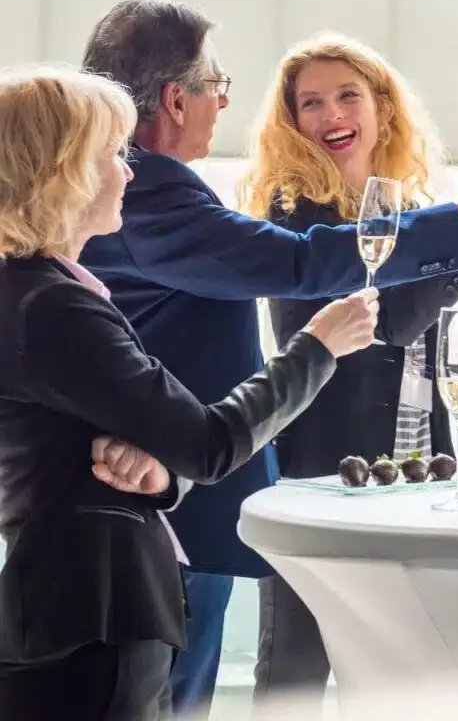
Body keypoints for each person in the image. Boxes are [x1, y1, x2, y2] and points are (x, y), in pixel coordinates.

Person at [76, 0, 458, 717]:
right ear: (177, 100)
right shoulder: (151, 190)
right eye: (216, 86)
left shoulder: (150, 189)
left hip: (174, 489)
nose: (222, 103)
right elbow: (304, 264)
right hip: (157, 497)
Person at [0, 67, 379, 719]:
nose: (129, 172)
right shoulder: (54, 307)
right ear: (67, 171)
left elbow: (91, 458)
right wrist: (317, 349)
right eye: (113, 153)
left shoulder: (35, 292)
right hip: (94, 619)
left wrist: (158, 476)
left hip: (73, 614)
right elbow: (207, 444)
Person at [238, 34, 458, 711]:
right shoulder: (293, 221)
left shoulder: (414, 214)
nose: (331, 115)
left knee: (397, 673)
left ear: (382, 106)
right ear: (293, 123)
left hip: (413, 469)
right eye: (311, 103)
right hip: (321, 473)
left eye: (348, 95)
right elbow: (388, 326)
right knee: (293, 671)